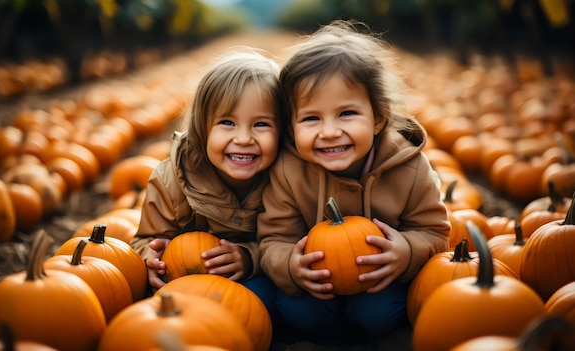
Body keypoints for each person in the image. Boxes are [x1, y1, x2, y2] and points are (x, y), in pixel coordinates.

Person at [257, 20, 451, 344]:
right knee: (294, 310)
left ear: (378, 117)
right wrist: (292, 266)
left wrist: (406, 251)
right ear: (290, 127)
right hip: (317, 284)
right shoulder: (288, 172)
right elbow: (273, 238)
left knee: (381, 312)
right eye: (311, 118)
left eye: (346, 113)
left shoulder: (409, 167)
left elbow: (434, 231)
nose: (330, 131)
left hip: (378, 278)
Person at [130, 48, 283, 320]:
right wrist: (149, 259)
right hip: (185, 280)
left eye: (260, 124)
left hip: (250, 279)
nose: (244, 138)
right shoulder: (173, 179)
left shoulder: (284, 178)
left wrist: (249, 258)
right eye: (227, 123)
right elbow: (145, 239)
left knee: (267, 298)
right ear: (203, 127)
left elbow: (289, 238)